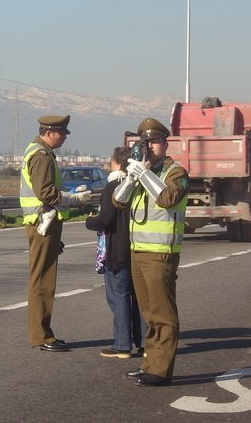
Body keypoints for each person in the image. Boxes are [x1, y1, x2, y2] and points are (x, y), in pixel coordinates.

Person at [113, 117, 189, 387]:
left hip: (160, 253)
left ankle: (161, 370)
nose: (150, 147)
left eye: (155, 142)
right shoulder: (141, 173)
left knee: (162, 313)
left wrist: (144, 175)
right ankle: (150, 363)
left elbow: (167, 198)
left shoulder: (176, 173)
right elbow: (118, 201)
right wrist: (132, 177)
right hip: (138, 252)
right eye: (145, 142)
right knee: (148, 313)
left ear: (166, 144)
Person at [20, 115, 91, 352]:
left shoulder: (40, 152)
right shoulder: (41, 155)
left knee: (42, 279)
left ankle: (42, 333)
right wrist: (74, 199)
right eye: (61, 134)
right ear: (49, 133)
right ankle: (42, 336)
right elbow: (46, 193)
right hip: (43, 222)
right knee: (43, 281)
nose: (64, 138)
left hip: (43, 222)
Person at [85, 147, 145, 359]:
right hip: (138, 248)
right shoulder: (139, 185)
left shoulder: (113, 187)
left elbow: (106, 219)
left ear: (117, 162)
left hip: (116, 249)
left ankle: (122, 345)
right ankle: (145, 344)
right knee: (140, 298)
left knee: (119, 296)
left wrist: (90, 221)